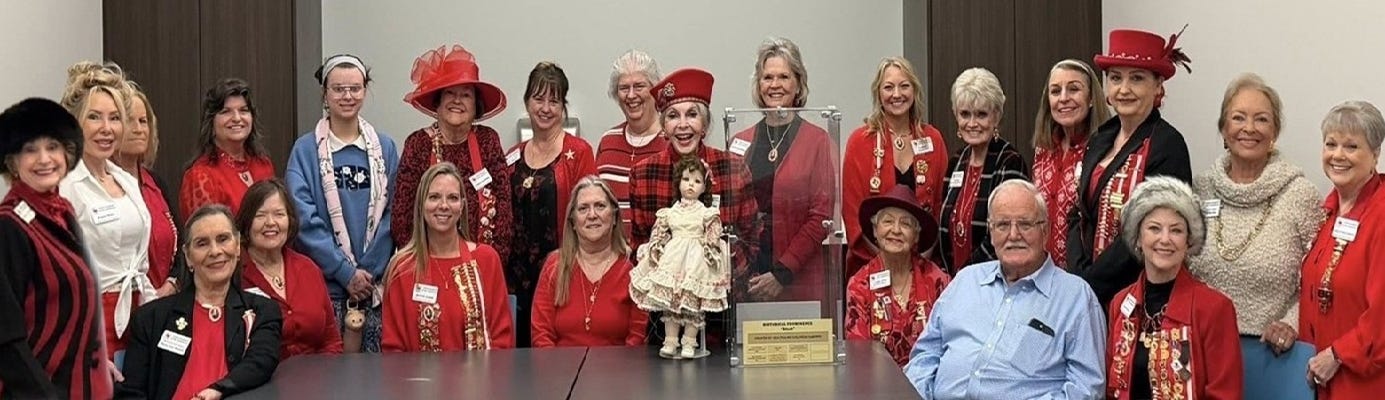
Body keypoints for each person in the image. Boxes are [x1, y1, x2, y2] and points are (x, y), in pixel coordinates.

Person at [905, 179, 1105, 399]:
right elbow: (925, 355)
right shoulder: (966, 280)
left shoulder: (1076, 298)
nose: (1014, 235)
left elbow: (1086, 389)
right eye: (1002, 225)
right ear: (991, 232)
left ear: (1045, 230)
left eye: (1025, 224)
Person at [1188, 73, 1321, 356]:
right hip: (1202, 348)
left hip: (1274, 353)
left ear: (1275, 132)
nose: (1249, 128)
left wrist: (1291, 323)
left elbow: (1322, 278)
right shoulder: (1200, 189)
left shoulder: (1300, 195)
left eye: (1261, 119)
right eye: (1238, 118)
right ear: (1224, 128)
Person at [1070, 28, 1194, 308]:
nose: (1124, 89)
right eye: (1116, 78)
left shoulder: (1168, 145)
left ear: (1158, 86)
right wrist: (1078, 276)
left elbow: (1151, 230)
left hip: (1138, 297)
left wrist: (1091, 284)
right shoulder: (1100, 138)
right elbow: (1078, 213)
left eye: (1136, 78)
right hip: (1087, 290)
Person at [0, 97, 114, 399]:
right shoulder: (9, 226)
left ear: (68, 153)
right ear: (12, 162)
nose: (44, 159)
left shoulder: (62, 212)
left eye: (52, 146)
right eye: (30, 150)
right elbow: (6, 336)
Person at [286, 54, 398, 353]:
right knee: (330, 374)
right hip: (326, 290)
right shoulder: (305, 150)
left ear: (365, 90)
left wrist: (367, 272)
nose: (347, 96)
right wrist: (345, 273)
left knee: (377, 374)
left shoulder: (385, 148)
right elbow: (303, 219)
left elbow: (394, 214)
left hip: (374, 288)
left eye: (355, 88)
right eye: (338, 89)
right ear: (325, 93)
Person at [117, 205, 282, 400]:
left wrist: (217, 390)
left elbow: (261, 361)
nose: (215, 251)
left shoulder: (263, 311)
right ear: (188, 256)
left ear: (237, 246)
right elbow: (131, 394)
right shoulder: (150, 318)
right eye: (202, 243)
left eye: (223, 239)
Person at [1103, 176, 1243, 399]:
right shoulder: (1120, 304)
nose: (1165, 239)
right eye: (1154, 228)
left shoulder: (1215, 308)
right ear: (1138, 238)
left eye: (1176, 231)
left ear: (1188, 241)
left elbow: (1225, 395)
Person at [628, 67, 758, 296]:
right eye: (672, 116)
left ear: (704, 124)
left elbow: (752, 239)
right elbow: (640, 245)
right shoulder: (642, 174)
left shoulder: (734, 169)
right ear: (664, 127)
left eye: (692, 114)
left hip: (722, 299)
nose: (682, 124)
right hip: (663, 303)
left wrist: (719, 274)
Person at [57, 61, 156, 358]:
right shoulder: (64, 186)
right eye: (94, 117)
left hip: (137, 316)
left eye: (114, 118)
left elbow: (139, 265)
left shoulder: (126, 180)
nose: (106, 128)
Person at [729, 37, 837, 301]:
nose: (774, 85)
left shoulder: (818, 141)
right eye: (767, 77)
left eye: (784, 77)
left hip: (797, 279)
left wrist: (782, 274)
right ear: (758, 85)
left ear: (798, 83)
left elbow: (821, 217)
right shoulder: (739, 141)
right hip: (748, 280)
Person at [393, 44, 513, 268]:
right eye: (450, 93)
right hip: (428, 268)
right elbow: (402, 218)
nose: (457, 100)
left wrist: (491, 265)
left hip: (482, 268)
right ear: (437, 102)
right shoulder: (418, 144)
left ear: (476, 106)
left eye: (466, 95)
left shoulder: (488, 141)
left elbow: (504, 212)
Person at [507, 61, 597, 347]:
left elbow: (591, 217)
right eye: (538, 99)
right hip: (515, 280)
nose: (545, 108)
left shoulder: (579, 152)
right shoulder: (511, 156)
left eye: (554, 101)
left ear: (563, 107)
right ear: (527, 102)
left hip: (562, 277)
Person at [1299, 100, 1385, 397]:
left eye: (1351, 146)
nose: (1337, 155)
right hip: (1321, 377)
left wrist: (1338, 354)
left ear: (1375, 154)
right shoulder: (1329, 211)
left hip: (1365, 382)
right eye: (1331, 144)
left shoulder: (1381, 215)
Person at [381, 162, 514, 351]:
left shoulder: (486, 260)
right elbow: (393, 350)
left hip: (481, 370)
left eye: (452, 198)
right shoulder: (401, 269)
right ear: (421, 205)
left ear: (462, 206)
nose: (443, 205)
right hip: (418, 372)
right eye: (434, 197)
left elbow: (502, 339)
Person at [844, 56, 949, 277]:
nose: (897, 94)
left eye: (904, 86)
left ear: (915, 90)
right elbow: (853, 213)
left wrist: (918, 265)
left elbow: (941, 205)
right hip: (871, 267)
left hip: (924, 266)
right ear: (878, 94)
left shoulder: (933, 139)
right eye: (888, 87)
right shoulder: (860, 141)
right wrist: (889, 264)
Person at [629, 157, 729, 359]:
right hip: (673, 259)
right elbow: (659, 232)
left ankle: (689, 342)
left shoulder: (706, 212)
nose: (691, 185)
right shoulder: (670, 212)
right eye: (686, 179)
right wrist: (656, 246)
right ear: (678, 182)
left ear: (704, 188)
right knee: (671, 303)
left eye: (697, 181)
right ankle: (670, 341)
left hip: (695, 261)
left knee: (692, 304)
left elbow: (713, 232)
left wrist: (711, 246)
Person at [531, 177, 648, 347]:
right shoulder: (554, 266)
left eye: (600, 206)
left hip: (618, 365)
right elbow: (541, 335)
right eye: (583, 208)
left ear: (614, 216)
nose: (592, 215)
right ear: (573, 221)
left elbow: (637, 337)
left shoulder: (634, 271)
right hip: (558, 364)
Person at [937, 67, 1030, 274]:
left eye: (981, 114)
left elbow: (1007, 232)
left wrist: (967, 277)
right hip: (954, 279)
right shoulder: (956, 161)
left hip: (996, 279)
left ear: (996, 117)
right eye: (965, 114)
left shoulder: (1010, 161)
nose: (972, 123)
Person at [844, 186, 950, 367]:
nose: (896, 230)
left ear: (916, 236)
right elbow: (859, 353)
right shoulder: (860, 285)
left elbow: (949, 343)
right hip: (877, 380)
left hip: (927, 379)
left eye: (906, 224)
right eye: (887, 221)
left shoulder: (938, 281)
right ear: (875, 230)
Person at [238, 180, 343, 359]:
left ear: (290, 220)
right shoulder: (235, 276)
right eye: (260, 215)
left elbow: (331, 340)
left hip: (318, 373)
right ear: (246, 223)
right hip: (262, 374)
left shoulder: (308, 269)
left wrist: (326, 373)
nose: (270, 222)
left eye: (279, 214)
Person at [1031, 59, 1110, 269]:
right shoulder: (1043, 150)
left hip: (1084, 273)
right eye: (1055, 91)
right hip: (1041, 272)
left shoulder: (1104, 153)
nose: (1064, 98)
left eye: (1074, 89)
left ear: (1091, 98)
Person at [115, 81, 182, 298]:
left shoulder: (156, 183)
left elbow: (182, 243)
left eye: (143, 121)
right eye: (129, 120)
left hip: (167, 300)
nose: (138, 129)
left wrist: (171, 285)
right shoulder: (100, 186)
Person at [595, 50, 667, 240]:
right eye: (624, 88)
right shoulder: (607, 141)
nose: (631, 95)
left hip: (660, 255)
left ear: (655, 90)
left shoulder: (672, 142)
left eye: (639, 86)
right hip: (611, 254)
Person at [179, 78, 276, 219]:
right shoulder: (201, 176)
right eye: (226, 112)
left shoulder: (263, 164)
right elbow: (208, 230)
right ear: (211, 121)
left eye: (243, 110)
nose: (237, 118)